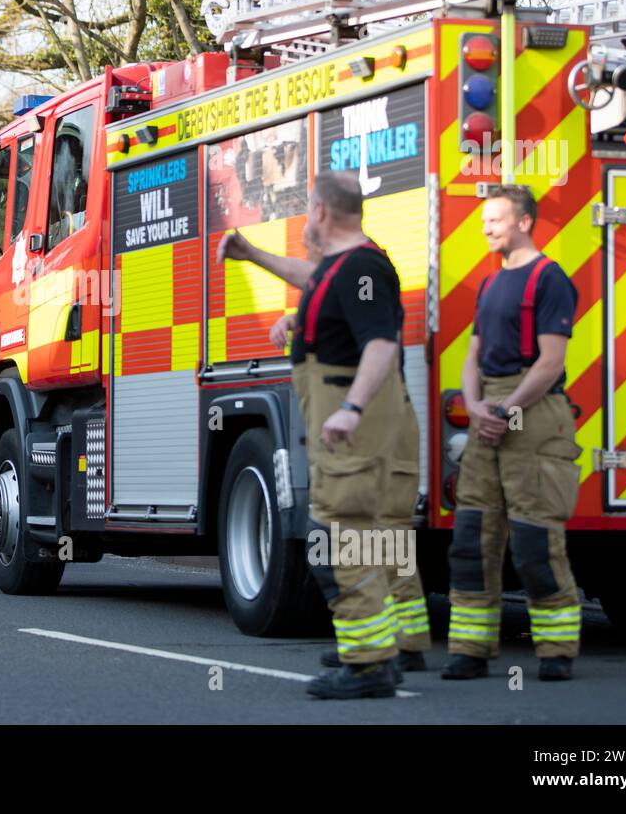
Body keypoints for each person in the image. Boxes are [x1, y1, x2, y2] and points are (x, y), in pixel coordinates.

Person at [220, 173, 419, 699]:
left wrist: (352, 408)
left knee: (340, 539)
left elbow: (381, 344)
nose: (306, 218)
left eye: (307, 208)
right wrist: (254, 257)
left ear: (322, 211)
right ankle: (375, 652)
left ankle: (369, 663)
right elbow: (313, 281)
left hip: (351, 425)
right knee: (349, 538)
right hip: (338, 424)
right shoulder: (342, 268)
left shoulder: (364, 267)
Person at [442, 184, 582, 682]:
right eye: (484, 220)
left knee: (533, 539)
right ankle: (470, 650)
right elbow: (473, 355)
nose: (485, 227)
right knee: (473, 535)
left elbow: (550, 363)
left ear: (524, 222)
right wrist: (475, 405)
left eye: (496, 219)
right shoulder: (491, 283)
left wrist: (504, 409)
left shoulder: (550, 280)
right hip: (490, 410)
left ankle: (557, 652)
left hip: (531, 408)